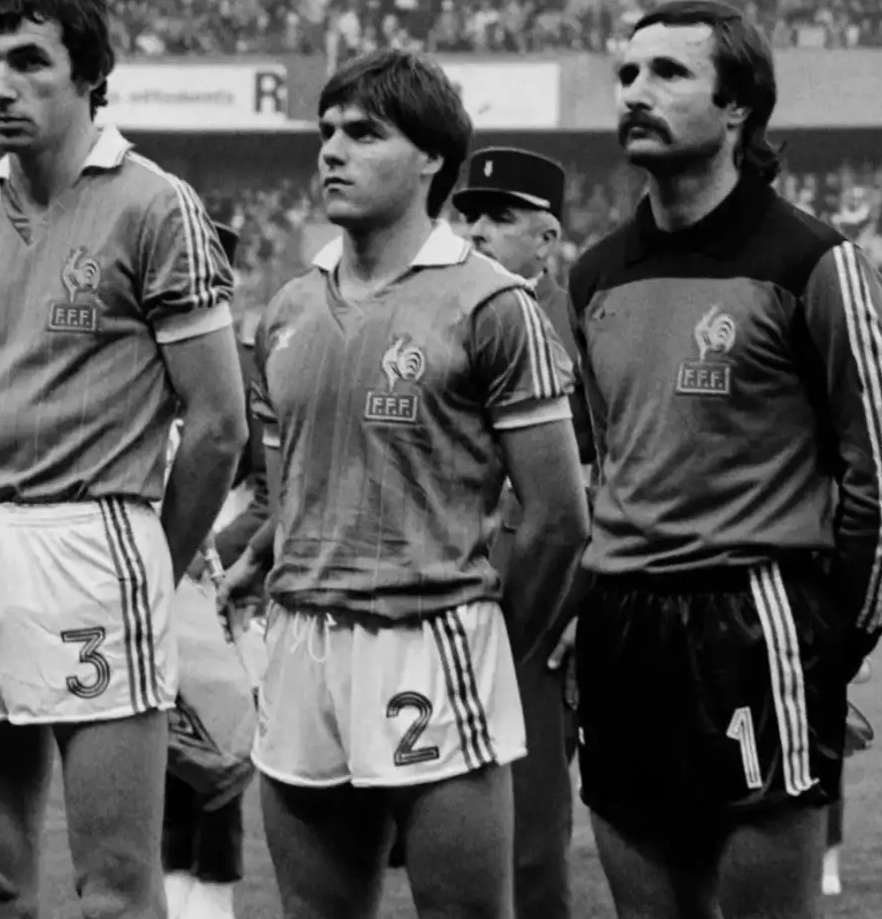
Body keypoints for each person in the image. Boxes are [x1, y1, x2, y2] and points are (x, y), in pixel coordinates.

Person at [568, 0, 882, 919]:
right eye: (629, 75)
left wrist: (833, 641)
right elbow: (607, 460)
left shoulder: (812, 262)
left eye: (669, 74)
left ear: (738, 108)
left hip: (752, 620)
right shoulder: (594, 275)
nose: (637, 92)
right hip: (620, 628)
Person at [222, 49, 591, 919]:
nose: (332, 152)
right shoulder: (287, 310)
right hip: (303, 641)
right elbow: (299, 489)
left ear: (430, 158)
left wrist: (495, 635)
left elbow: (561, 518)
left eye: (363, 133)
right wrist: (265, 563)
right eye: (326, 133)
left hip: (431, 637)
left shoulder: (492, 307)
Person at [0, 0, 249, 919]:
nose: (0, 85)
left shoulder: (156, 207)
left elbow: (220, 425)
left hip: (94, 544)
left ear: (92, 75)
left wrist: (152, 564)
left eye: (29, 62)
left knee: (112, 889)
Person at [451, 146, 590, 919]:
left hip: (548, 587)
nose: (476, 231)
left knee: (533, 832)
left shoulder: (583, 321)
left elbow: (605, 479)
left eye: (500, 218)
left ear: (546, 240)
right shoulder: (434, 306)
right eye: (466, 213)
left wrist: (584, 596)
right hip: (452, 579)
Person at [162, 219, 265, 919]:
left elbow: (277, 490)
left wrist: (216, 554)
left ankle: (212, 906)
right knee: (157, 767)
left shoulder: (254, 362)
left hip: (224, 583)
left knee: (220, 758)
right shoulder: (133, 355)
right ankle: (173, 898)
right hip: (153, 578)